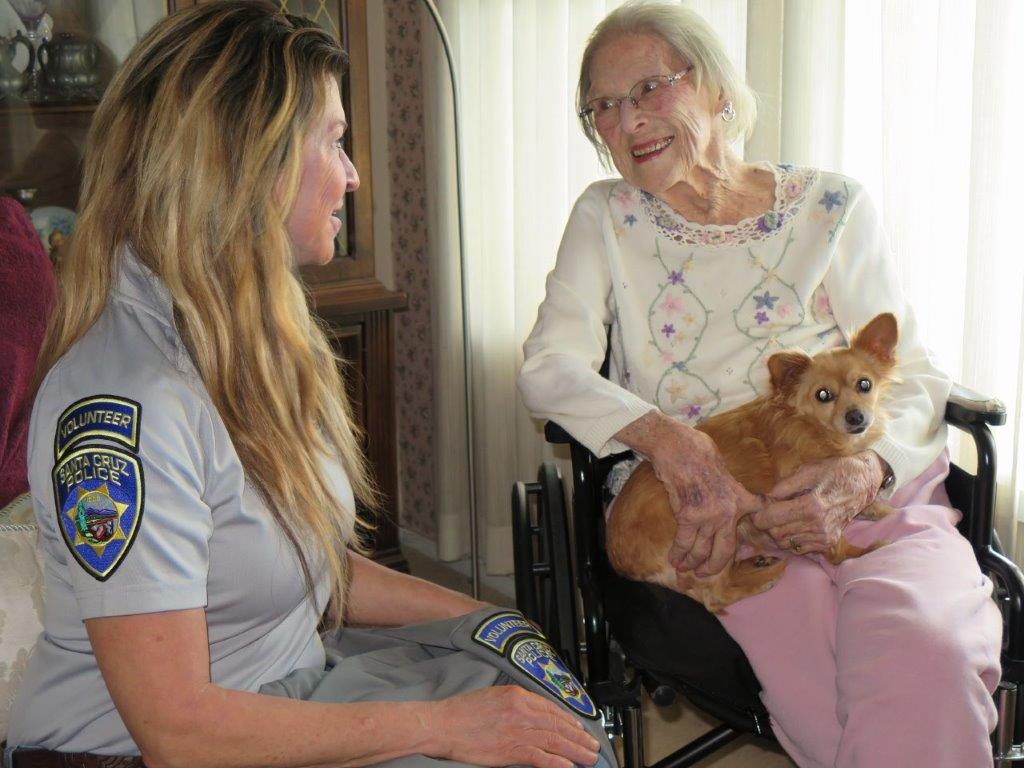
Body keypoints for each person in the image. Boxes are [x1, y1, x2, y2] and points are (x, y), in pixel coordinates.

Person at [4, 4, 611, 768]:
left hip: (291, 683)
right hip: (147, 748)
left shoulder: (254, 340)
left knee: (558, 721)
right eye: (333, 139)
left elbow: (307, 570)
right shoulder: (126, 402)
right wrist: (447, 726)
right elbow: (176, 731)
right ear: (247, 164)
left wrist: (491, 620)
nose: (354, 174)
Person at [517, 2, 1002, 766]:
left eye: (649, 88)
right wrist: (668, 440)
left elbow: (916, 376)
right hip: (715, 514)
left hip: (863, 489)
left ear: (713, 87)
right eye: (603, 107)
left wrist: (863, 469)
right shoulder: (605, 217)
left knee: (930, 651)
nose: (628, 120)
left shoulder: (833, 207)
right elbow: (550, 367)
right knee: (821, 689)